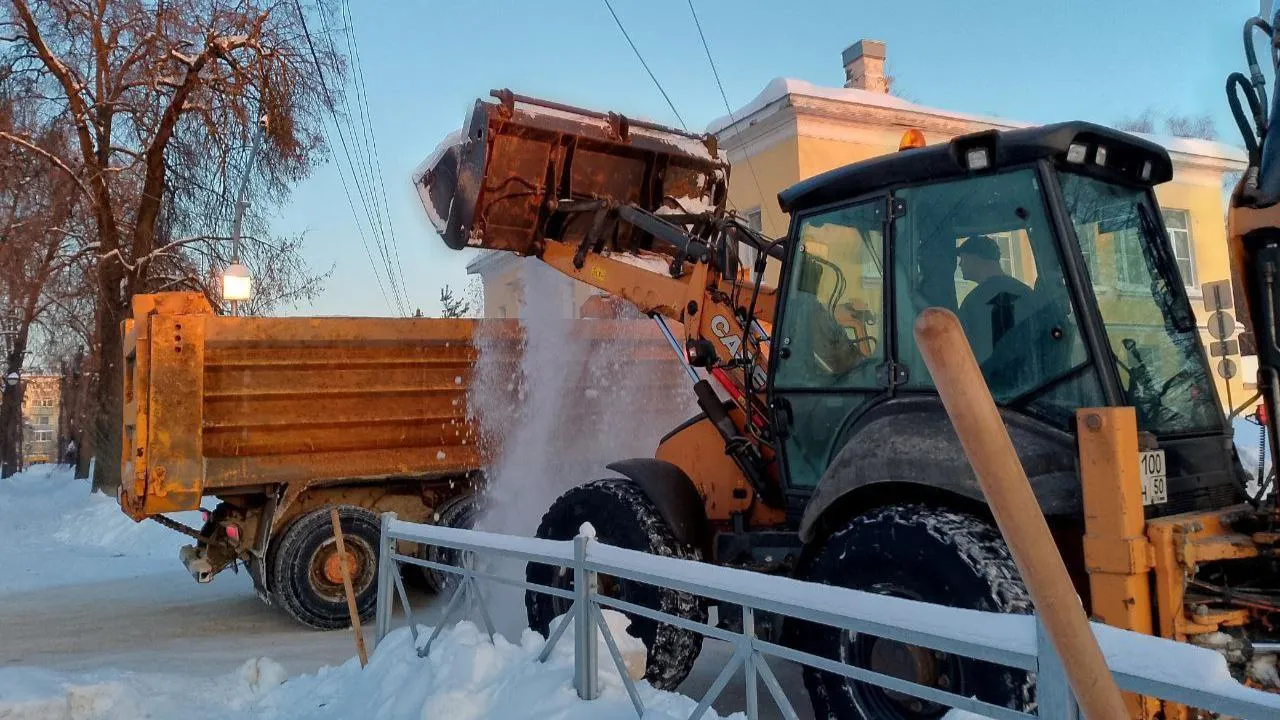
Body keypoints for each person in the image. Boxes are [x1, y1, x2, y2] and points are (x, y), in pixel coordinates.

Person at [955, 235, 1031, 362]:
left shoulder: (974, 302)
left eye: (963, 258)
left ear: (975, 258)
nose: (960, 265)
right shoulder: (1025, 292)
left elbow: (961, 350)